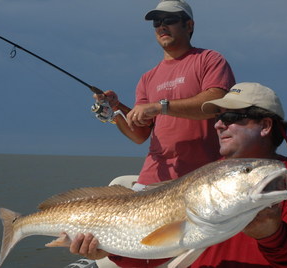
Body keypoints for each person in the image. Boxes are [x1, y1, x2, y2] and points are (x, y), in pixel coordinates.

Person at [70, 0, 235, 266]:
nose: (161, 26)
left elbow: (214, 103)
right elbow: (138, 135)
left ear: (189, 25)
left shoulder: (209, 60)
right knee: (127, 250)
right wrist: (117, 110)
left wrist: (161, 106)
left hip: (198, 180)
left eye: (168, 20)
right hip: (152, 177)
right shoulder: (148, 78)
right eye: (156, 22)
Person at [186, 82, 287, 267]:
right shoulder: (208, 174)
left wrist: (273, 235)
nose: (218, 125)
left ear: (266, 125)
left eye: (230, 116)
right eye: (218, 116)